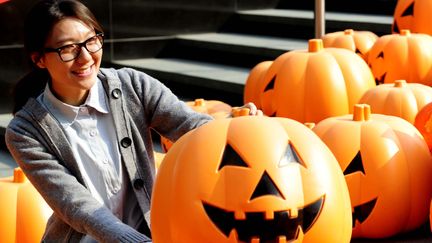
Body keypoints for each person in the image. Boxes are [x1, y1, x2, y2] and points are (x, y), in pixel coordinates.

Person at [5, 0, 261, 242]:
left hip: (150, 234)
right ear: (39, 59)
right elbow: (74, 203)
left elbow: (191, 128)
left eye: (91, 41)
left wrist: (237, 126)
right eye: (68, 49)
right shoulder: (26, 131)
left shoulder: (133, 86)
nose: (85, 57)